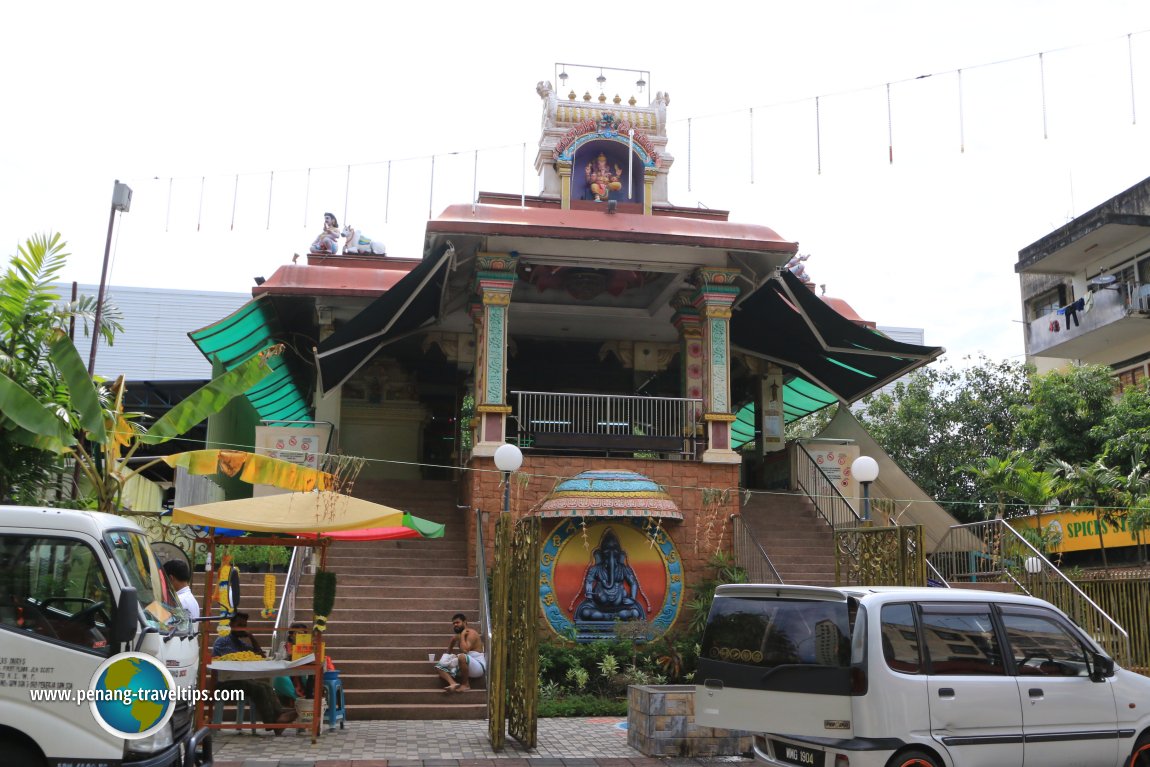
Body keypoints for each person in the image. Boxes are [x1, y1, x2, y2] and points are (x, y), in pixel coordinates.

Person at [212, 612, 297, 725]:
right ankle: (273, 722)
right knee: (259, 689)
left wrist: (251, 637)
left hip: (240, 680)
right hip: (225, 682)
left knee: (266, 686)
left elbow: (260, 655)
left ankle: (279, 717)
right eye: (240, 625)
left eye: (245, 626)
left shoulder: (239, 642)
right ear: (231, 625)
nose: (243, 629)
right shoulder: (223, 641)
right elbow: (234, 662)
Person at [571, 527, 651, 621]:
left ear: (619, 553)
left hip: (621, 605)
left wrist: (632, 599)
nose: (611, 553)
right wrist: (589, 594)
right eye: (607, 550)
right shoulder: (596, 569)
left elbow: (633, 583)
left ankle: (607, 617)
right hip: (598, 605)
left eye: (614, 549)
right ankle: (613, 618)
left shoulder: (623, 569)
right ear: (601, 553)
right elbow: (589, 581)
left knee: (635, 613)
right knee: (585, 612)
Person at [434, 613, 485, 693]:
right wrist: (452, 642)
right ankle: (453, 683)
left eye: (457, 622)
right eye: (454, 623)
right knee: (439, 666)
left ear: (465, 622)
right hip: (465, 665)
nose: (455, 625)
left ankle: (465, 685)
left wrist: (462, 636)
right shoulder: (459, 635)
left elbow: (465, 651)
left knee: (461, 656)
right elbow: (448, 654)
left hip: (478, 667)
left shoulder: (471, 633)